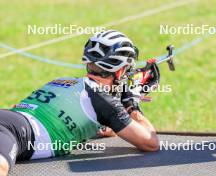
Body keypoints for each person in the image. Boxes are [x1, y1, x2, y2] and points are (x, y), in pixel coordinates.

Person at [0, 30, 160, 176]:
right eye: (128, 70)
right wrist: (132, 103)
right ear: (120, 71)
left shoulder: (63, 80)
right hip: (15, 131)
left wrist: (123, 106)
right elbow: (151, 142)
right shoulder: (102, 100)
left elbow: (109, 127)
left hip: (11, 120)